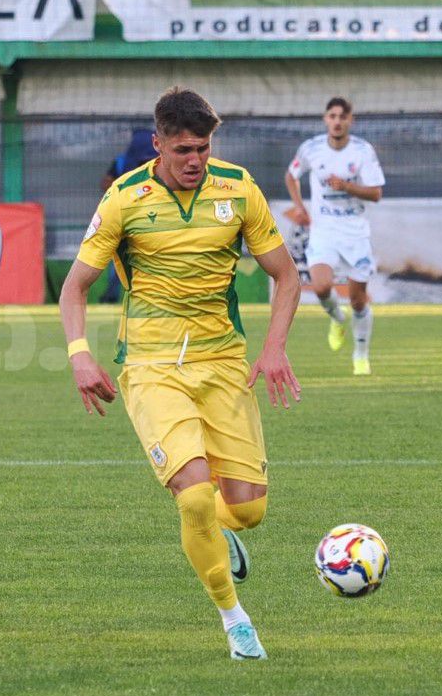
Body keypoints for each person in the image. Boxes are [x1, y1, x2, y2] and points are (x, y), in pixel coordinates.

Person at [59, 87, 301, 661]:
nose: (195, 159)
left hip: (222, 365)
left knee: (247, 510)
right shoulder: (125, 198)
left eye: (204, 147)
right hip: (151, 368)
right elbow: (75, 287)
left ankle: (224, 534)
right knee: (194, 499)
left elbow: (287, 277)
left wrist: (273, 349)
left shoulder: (238, 189)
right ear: (158, 143)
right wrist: (79, 353)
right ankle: (234, 620)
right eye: (184, 149)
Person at [283, 97, 385, 375]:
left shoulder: (363, 151)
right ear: (325, 119)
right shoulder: (311, 149)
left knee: (358, 300)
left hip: (355, 233)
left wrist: (347, 187)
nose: (337, 121)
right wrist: (300, 207)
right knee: (321, 287)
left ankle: (361, 355)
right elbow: (291, 176)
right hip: (324, 230)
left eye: (342, 116)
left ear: (351, 120)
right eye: (332, 116)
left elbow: (376, 192)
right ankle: (338, 319)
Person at [96, 128, 160, 304]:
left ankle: (112, 294)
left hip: (127, 213)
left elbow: (106, 183)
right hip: (149, 214)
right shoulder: (157, 162)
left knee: (119, 255)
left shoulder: (122, 162)